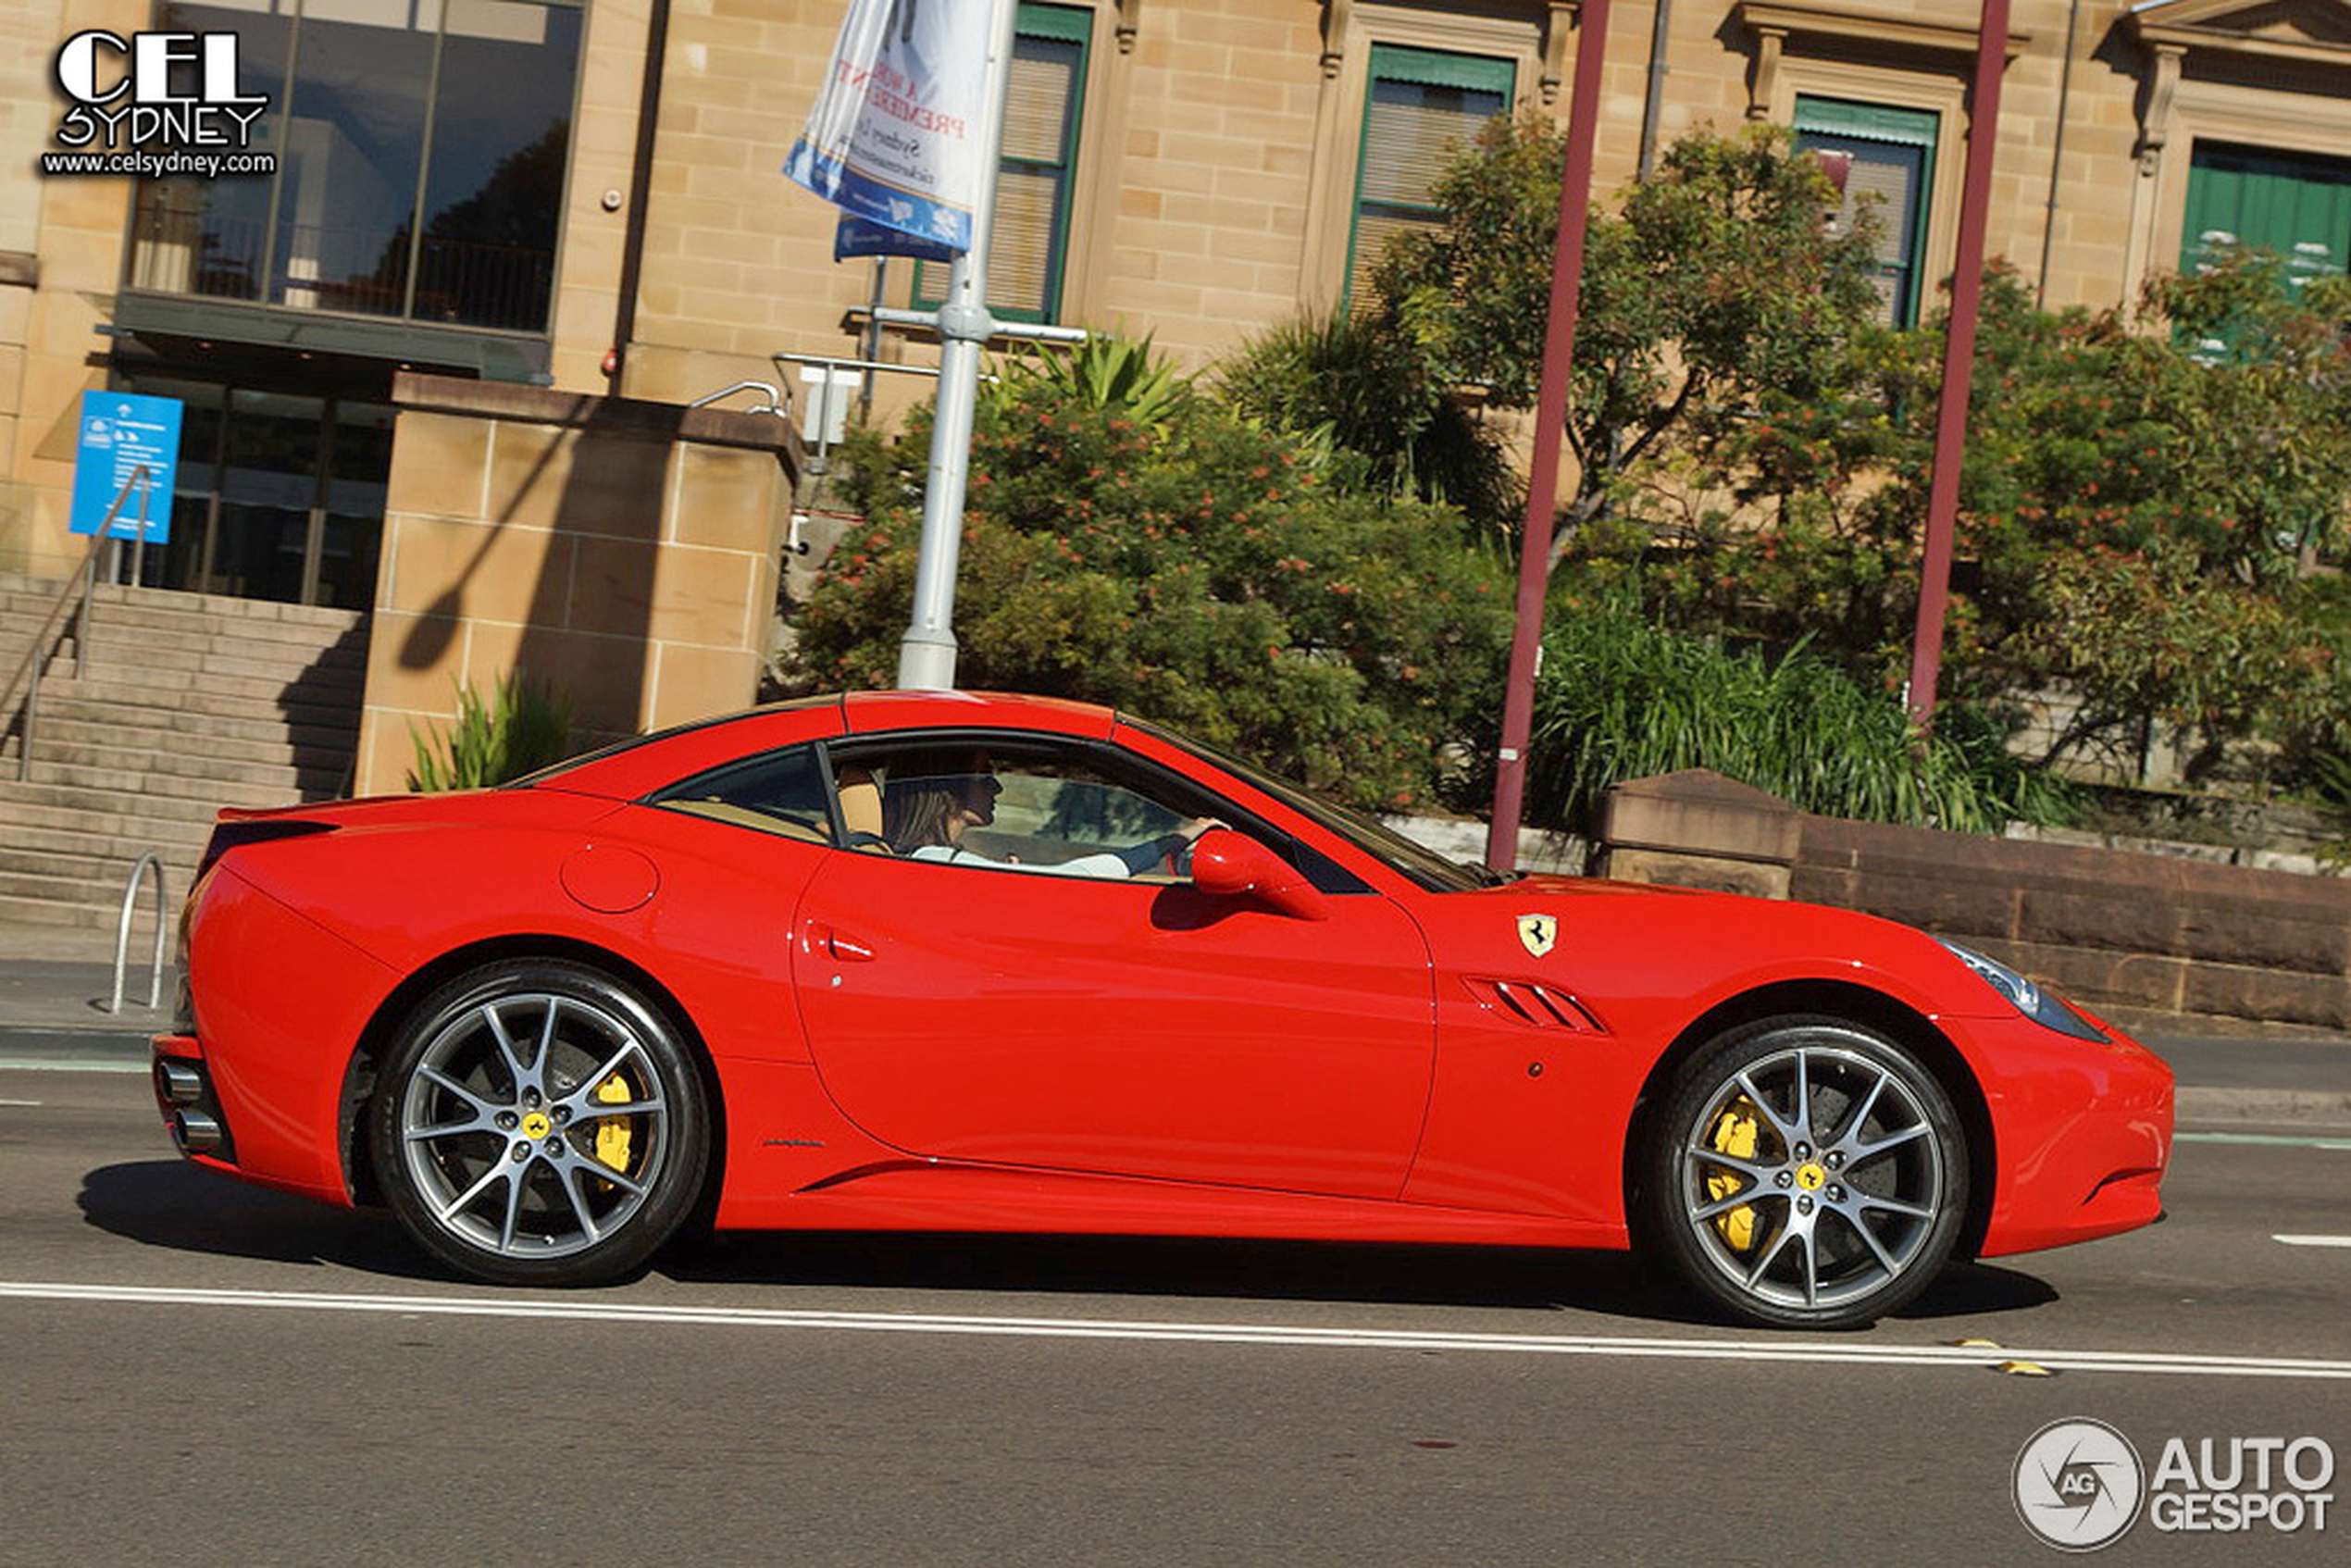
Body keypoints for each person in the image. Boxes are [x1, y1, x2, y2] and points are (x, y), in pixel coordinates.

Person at [878, 749, 1220, 878]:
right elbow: (1080, 876)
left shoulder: (927, 861)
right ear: (946, 788)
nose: (997, 788)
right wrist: (1175, 840)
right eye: (984, 776)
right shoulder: (937, 861)